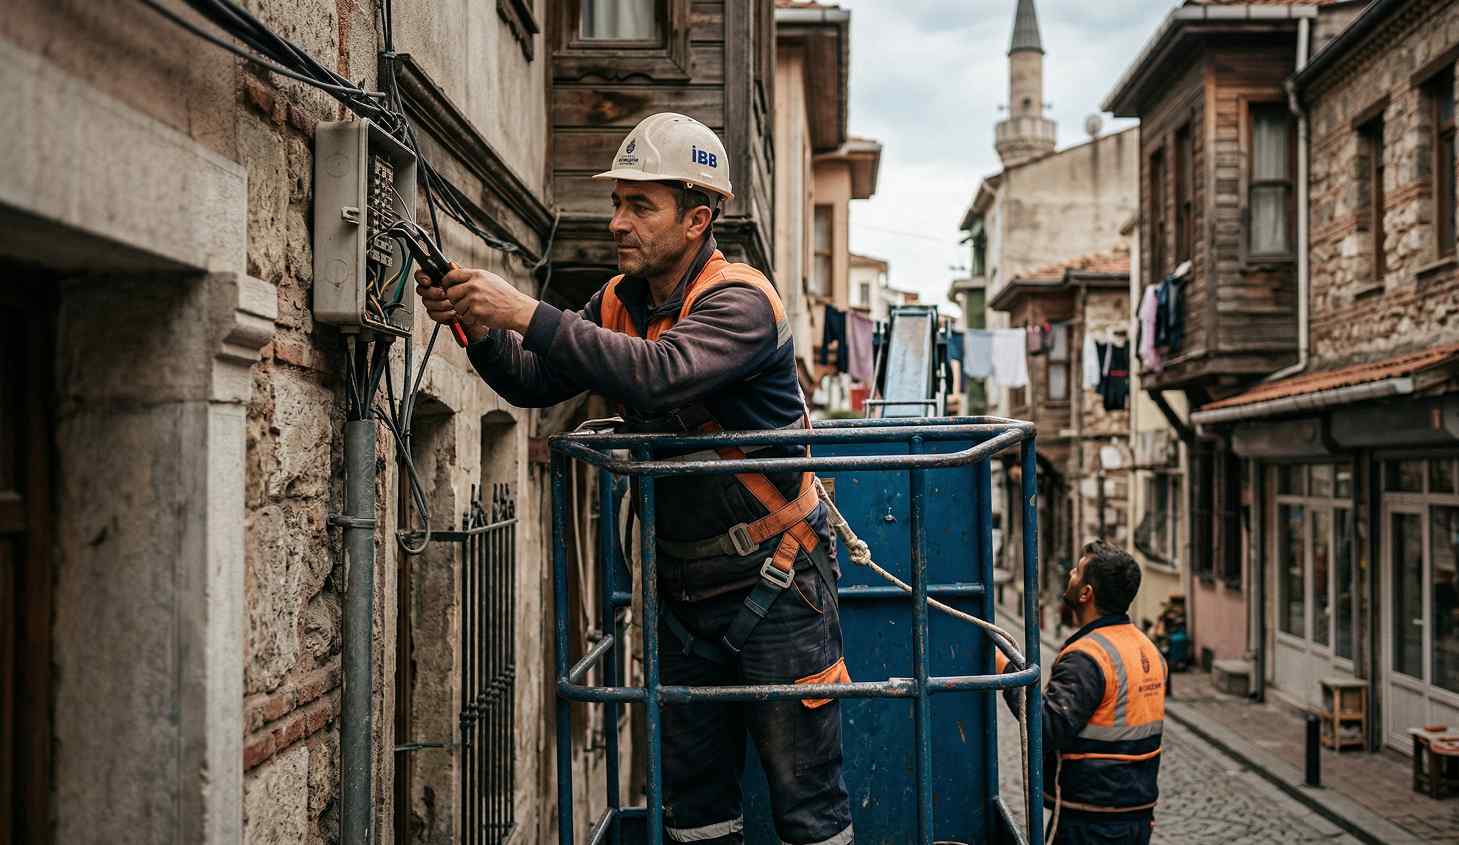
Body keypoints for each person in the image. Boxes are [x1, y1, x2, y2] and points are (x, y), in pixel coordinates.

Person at [415, 113, 854, 845]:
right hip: (684, 593)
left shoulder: (741, 300)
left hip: (776, 588)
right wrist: (482, 328)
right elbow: (533, 382)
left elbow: (660, 375)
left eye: (639, 205)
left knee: (807, 804)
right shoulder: (620, 300)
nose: (617, 222)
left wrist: (522, 307)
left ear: (696, 219)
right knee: (694, 805)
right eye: (617, 202)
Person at [1000, 540, 1165, 844]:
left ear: (1087, 593)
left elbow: (1046, 729)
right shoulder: (1147, 648)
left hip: (1091, 820)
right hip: (1137, 815)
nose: (1070, 575)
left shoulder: (1088, 657)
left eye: (1076, 571)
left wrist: (1006, 672)